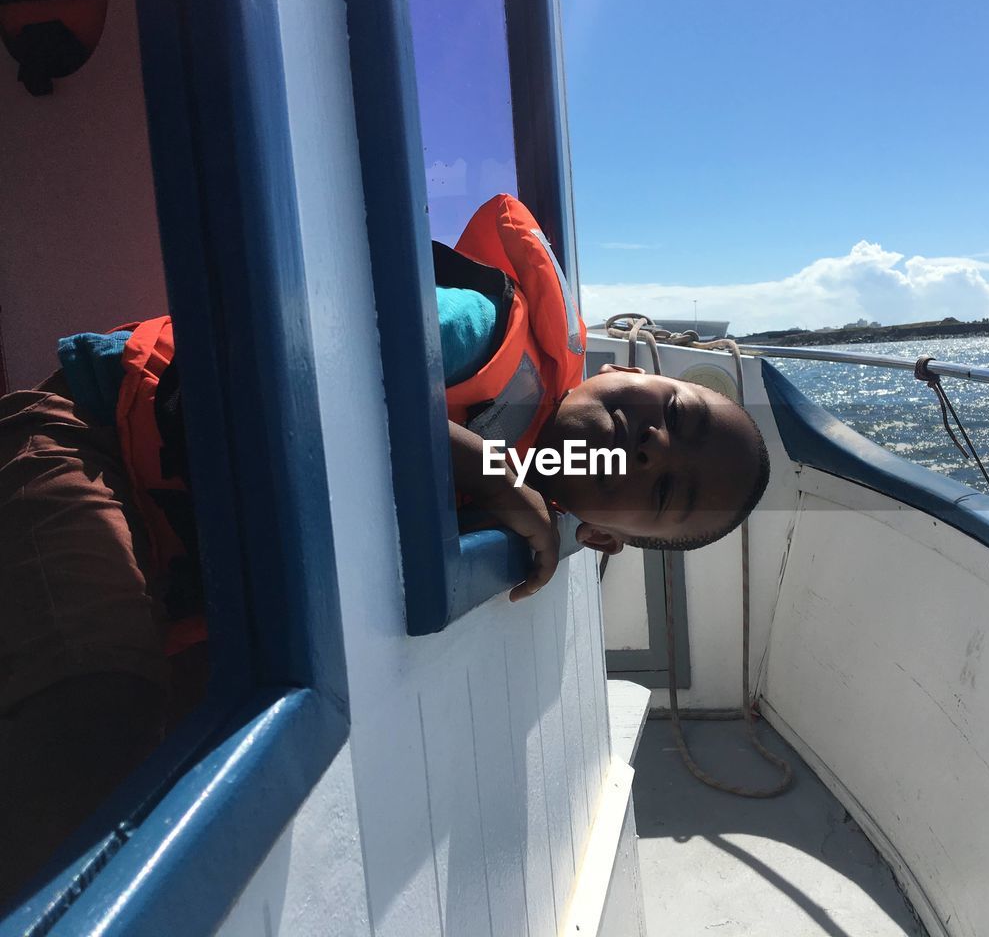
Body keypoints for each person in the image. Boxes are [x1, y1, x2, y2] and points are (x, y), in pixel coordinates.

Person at [0, 195, 768, 899]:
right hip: (80, 437)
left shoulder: (542, 485)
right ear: (629, 369)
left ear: (600, 537)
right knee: (101, 705)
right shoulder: (479, 329)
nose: (655, 442)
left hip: (162, 535)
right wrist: (486, 467)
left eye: (665, 490)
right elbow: (300, 371)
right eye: (673, 409)